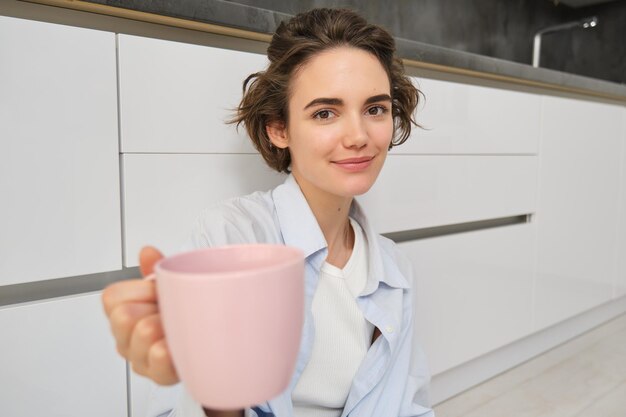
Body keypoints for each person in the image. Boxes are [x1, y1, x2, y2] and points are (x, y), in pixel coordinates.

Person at [102, 7, 434, 417]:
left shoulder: (395, 270)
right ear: (279, 129)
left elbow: (408, 406)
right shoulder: (230, 238)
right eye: (325, 113)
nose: (359, 136)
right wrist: (213, 389)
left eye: (375, 109)